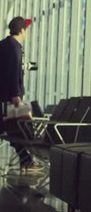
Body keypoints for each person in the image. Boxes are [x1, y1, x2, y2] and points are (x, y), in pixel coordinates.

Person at [0, 16, 43, 171]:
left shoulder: (3, 44)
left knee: (16, 131)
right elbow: (12, 73)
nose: (27, 33)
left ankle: (26, 160)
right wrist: (17, 98)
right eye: (26, 30)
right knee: (22, 130)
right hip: (10, 99)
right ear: (22, 30)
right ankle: (27, 161)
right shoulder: (15, 47)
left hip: (4, 98)